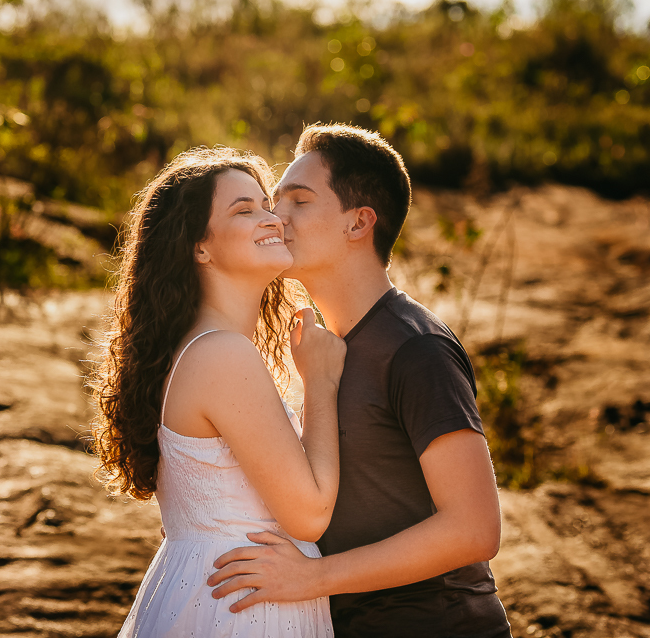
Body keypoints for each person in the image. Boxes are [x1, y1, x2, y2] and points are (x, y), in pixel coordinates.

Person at [206, 124, 513, 638]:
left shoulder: (416, 347)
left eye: (298, 201)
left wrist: (311, 578)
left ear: (358, 224)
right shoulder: (325, 348)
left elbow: (475, 529)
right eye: (275, 201)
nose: (276, 217)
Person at [89, 146, 346, 637]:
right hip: (244, 606)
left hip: (218, 589)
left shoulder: (198, 349)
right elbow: (309, 513)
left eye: (265, 205)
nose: (270, 219)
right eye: (244, 210)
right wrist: (322, 382)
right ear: (199, 247)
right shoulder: (222, 355)